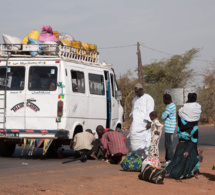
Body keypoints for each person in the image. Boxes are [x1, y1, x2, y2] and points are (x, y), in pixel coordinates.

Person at [165, 93, 202, 179]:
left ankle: (178, 170)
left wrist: (179, 132)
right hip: (194, 132)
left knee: (181, 152)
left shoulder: (182, 110)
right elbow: (195, 122)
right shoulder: (198, 108)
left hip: (183, 134)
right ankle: (193, 170)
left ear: (188, 98)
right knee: (193, 150)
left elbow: (180, 125)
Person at [128, 83, 154, 159]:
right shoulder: (134, 100)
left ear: (142, 89)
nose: (137, 93)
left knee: (145, 141)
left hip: (145, 123)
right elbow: (134, 110)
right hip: (136, 123)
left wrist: (149, 122)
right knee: (134, 141)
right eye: (135, 91)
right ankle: (140, 157)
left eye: (138, 91)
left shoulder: (148, 98)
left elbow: (150, 110)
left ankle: (147, 158)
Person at [161, 94, 176, 164]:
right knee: (167, 144)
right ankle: (167, 158)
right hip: (170, 127)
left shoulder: (169, 107)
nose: (163, 101)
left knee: (169, 144)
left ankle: (170, 159)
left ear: (167, 100)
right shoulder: (173, 105)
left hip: (169, 128)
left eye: (164, 100)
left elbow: (163, 116)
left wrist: (163, 114)